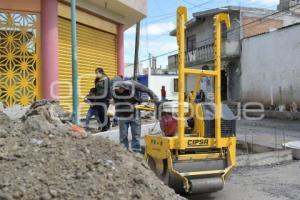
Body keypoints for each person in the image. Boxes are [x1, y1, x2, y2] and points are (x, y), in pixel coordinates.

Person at [112, 79, 159, 152]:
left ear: (123, 87)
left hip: (135, 114)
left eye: (119, 89)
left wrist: (155, 99)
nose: (117, 91)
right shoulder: (114, 92)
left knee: (136, 135)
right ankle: (124, 152)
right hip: (123, 115)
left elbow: (147, 90)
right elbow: (115, 103)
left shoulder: (132, 84)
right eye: (116, 90)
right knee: (123, 135)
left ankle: (136, 152)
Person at [94, 67, 111, 131]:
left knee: (104, 112)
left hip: (104, 98)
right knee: (99, 113)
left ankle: (105, 126)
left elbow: (109, 89)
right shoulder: (97, 80)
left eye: (97, 73)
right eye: (96, 73)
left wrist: (110, 98)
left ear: (101, 73)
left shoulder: (106, 79)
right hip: (98, 98)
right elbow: (95, 89)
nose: (96, 74)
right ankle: (105, 125)